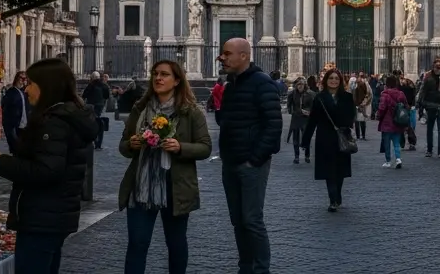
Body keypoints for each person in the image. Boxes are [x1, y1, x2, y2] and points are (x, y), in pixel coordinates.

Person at [0, 58, 97, 274]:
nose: (26, 90)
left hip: (43, 217)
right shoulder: (65, 116)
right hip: (54, 215)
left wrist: (0, 162)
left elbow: (46, 170)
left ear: (47, 86)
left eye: (31, 84)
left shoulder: (54, 122)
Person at [119, 60, 212, 274]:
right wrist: (131, 145)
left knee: (176, 244)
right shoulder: (140, 108)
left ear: (177, 80)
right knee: (137, 244)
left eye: (164, 74)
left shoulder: (190, 112)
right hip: (142, 186)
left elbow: (205, 147)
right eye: (155, 74)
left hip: (175, 186)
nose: (158, 78)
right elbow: (123, 146)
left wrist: (180, 147)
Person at [215, 37, 282, 274]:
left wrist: (255, 159)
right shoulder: (231, 85)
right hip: (231, 160)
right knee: (238, 221)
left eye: (227, 53)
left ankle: (261, 269)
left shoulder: (263, 83)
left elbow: (274, 125)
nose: (221, 58)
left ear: (244, 56)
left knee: (252, 220)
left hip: (250, 163)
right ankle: (245, 267)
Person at [303, 67, 357, 211]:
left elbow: (351, 117)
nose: (334, 81)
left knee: (340, 171)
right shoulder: (319, 97)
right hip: (325, 138)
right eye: (331, 78)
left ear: (340, 81)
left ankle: (337, 195)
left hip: (341, 137)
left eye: (336, 79)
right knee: (329, 171)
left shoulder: (347, 97)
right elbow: (312, 120)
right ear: (326, 81)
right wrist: (305, 141)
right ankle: (332, 199)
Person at [417, 57, 440, 157]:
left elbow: (422, 90)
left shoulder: (428, 75)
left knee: (431, 129)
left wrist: (420, 103)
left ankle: (430, 150)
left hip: (432, 105)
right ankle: (439, 151)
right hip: (439, 105)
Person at [374, 73, 408, 168]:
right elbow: (406, 106)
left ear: (387, 84)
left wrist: (378, 115)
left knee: (387, 143)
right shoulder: (401, 94)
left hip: (387, 122)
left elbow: (382, 108)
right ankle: (398, 159)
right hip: (398, 121)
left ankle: (388, 161)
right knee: (396, 143)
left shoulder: (385, 94)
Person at [286, 77, 314, 164]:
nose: (300, 86)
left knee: (306, 137)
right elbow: (289, 105)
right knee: (295, 138)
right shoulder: (292, 94)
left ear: (304, 85)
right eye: (298, 85)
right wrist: (293, 112)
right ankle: (296, 156)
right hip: (296, 118)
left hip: (305, 118)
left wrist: (308, 111)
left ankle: (307, 155)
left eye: (301, 84)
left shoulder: (310, 94)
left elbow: (313, 106)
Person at [1, 72, 28, 153]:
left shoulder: (24, 92)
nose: (23, 81)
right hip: (13, 125)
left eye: (25, 79)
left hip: (23, 126)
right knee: (15, 147)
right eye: (21, 78)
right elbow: (4, 106)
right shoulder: (11, 92)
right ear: (16, 79)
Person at [83, 71, 111, 149]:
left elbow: (84, 95)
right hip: (100, 106)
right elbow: (107, 96)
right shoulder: (104, 85)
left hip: (91, 106)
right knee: (100, 124)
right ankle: (99, 143)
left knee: (92, 123)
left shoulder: (90, 85)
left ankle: (94, 140)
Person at [397, 71, 419, 150]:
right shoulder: (411, 87)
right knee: (409, 127)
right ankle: (410, 143)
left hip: (404, 108)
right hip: (408, 108)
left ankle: (403, 143)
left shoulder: (402, 87)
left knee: (403, 126)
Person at [351, 72, 372, 140]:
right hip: (357, 104)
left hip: (360, 104)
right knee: (358, 121)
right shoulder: (354, 85)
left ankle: (361, 136)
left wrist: (364, 103)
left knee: (360, 121)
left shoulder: (364, 84)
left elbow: (368, 94)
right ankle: (360, 136)